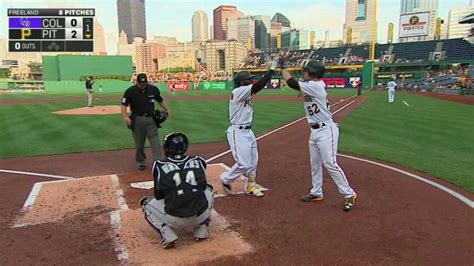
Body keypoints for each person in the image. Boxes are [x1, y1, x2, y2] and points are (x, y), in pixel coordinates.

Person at [282, 60, 357, 211]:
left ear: (313, 73)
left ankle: (349, 193)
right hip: (315, 131)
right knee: (315, 163)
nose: (304, 72)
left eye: (306, 70)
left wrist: (283, 68)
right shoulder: (313, 86)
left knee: (330, 163)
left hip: (326, 130)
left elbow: (291, 83)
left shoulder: (315, 86)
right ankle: (316, 192)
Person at [140, 132, 214, 249]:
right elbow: (203, 187)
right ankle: (202, 229)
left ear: (168, 148)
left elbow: (159, 196)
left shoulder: (159, 165)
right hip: (200, 214)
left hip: (174, 219)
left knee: (145, 203)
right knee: (209, 189)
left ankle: (168, 234)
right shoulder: (198, 160)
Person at [219, 60, 277, 197]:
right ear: (241, 82)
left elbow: (256, 87)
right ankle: (225, 178)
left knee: (253, 162)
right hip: (237, 132)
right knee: (243, 164)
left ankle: (250, 186)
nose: (251, 81)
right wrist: (271, 71)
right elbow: (259, 86)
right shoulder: (239, 91)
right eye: (248, 80)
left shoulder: (244, 91)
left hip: (248, 132)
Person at [121, 73, 170, 170]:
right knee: (139, 144)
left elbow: (160, 100)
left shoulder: (153, 89)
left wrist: (167, 109)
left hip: (151, 119)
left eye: (144, 83)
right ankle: (141, 161)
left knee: (155, 140)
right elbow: (123, 105)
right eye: (141, 83)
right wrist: (125, 117)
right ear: (137, 82)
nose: (142, 85)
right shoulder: (130, 91)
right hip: (137, 119)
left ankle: (158, 160)